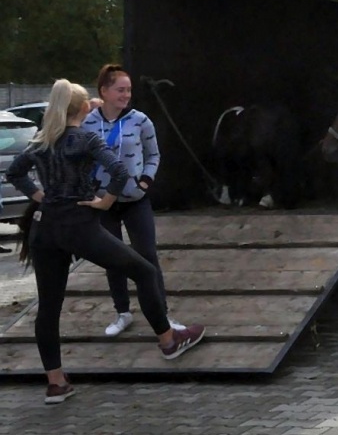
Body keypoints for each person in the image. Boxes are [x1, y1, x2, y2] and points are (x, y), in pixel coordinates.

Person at [5, 80, 206, 404]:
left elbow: (14, 174)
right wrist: (105, 202)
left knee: (49, 306)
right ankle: (168, 341)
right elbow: (119, 171)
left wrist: (41, 196)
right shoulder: (86, 138)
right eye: (89, 101)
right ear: (83, 108)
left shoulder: (41, 141)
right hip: (79, 225)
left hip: (45, 229)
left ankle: (56, 383)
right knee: (144, 271)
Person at [82, 64, 183, 337]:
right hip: (104, 201)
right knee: (113, 258)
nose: (126, 95)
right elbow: (80, 158)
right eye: (120, 90)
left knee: (147, 255)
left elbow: (154, 155)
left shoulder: (140, 120)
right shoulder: (88, 122)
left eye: (128, 90)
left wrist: (145, 181)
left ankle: (162, 314)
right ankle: (122, 313)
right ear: (104, 91)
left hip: (135, 199)